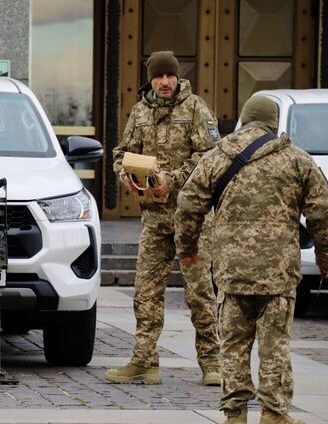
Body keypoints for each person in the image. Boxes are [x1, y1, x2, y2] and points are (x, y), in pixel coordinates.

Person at [175, 95, 328, 424]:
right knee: (275, 345)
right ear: (274, 124)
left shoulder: (217, 158)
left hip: (232, 273)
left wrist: (187, 248)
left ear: (243, 121)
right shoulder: (297, 161)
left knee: (233, 344)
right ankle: (274, 413)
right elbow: (323, 213)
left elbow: (188, 204)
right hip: (279, 275)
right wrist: (325, 258)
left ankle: (235, 414)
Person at [107, 50, 221, 386]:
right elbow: (121, 154)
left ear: (177, 77)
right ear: (151, 79)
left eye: (169, 76)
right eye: (159, 77)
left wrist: (172, 178)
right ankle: (144, 362)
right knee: (145, 291)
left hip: (193, 219)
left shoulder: (196, 108)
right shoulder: (141, 111)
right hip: (155, 219)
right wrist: (124, 174)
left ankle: (212, 364)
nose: (165, 82)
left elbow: (211, 156)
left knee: (200, 292)